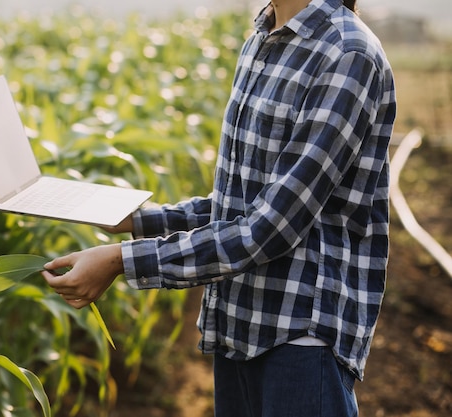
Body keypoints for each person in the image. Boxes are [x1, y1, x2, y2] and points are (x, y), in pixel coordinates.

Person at [42, 0, 396, 415]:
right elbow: (240, 204)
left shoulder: (346, 53)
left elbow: (271, 227)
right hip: (239, 327)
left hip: (300, 340)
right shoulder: (261, 41)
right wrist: (136, 220)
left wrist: (122, 260)